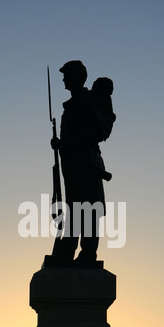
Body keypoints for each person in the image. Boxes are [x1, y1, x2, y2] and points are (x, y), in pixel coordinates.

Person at [50, 60, 114, 265]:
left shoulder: (87, 101)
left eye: (67, 75)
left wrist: (66, 144)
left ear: (76, 77)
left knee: (88, 209)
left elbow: (97, 131)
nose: (63, 79)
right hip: (74, 165)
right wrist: (61, 145)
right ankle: (69, 250)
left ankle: (86, 254)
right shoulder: (72, 105)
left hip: (86, 163)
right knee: (74, 207)